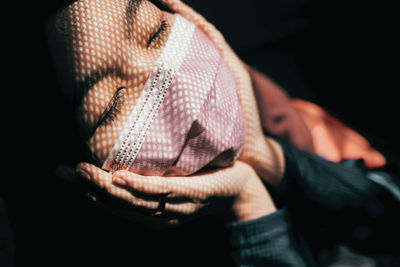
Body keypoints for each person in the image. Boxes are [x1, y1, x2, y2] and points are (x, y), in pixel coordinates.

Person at [5, 0, 399, 266]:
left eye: (155, 33)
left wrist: (267, 158)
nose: (175, 87)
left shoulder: (279, 111)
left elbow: (387, 215)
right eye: (109, 105)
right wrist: (247, 205)